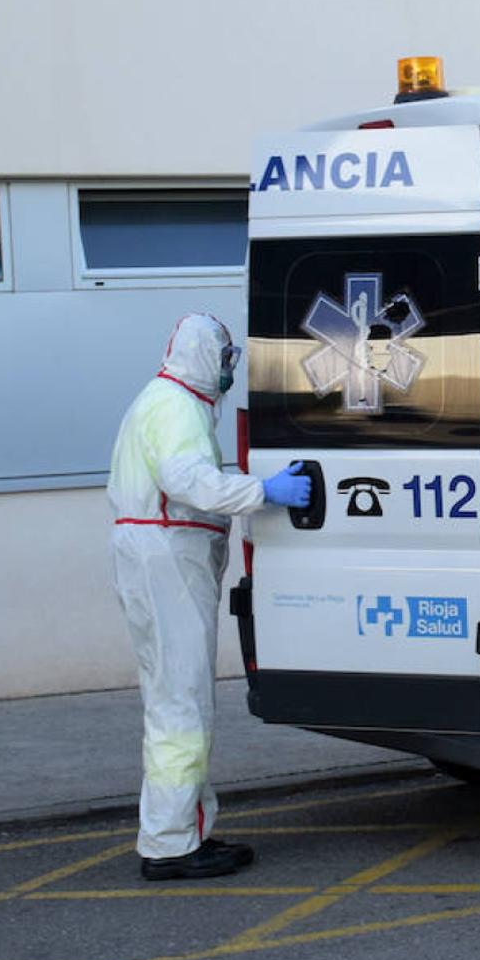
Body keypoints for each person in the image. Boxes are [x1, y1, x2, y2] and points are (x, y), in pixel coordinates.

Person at [107, 312, 312, 880]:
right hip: (168, 559)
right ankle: (173, 843)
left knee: (173, 697)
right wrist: (263, 492)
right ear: (202, 357)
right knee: (183, 703)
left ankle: (180, 828)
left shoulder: (162, 400)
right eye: (224, 359)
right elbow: (188, 481)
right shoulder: (175, 407)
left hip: (155, 556)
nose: (228, 371)